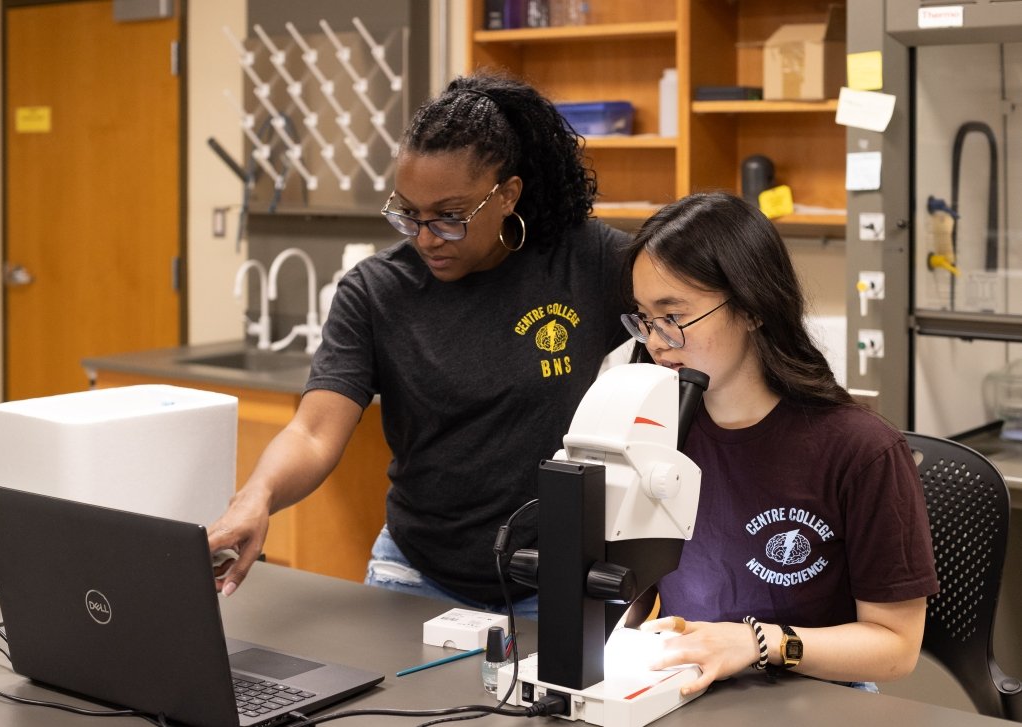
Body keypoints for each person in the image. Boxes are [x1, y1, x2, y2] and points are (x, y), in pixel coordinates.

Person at [207, 71, 631, 619]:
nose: (426, 237)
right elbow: (313, 431)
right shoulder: (377, 292)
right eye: (409, 213)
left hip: (564, 580)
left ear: (507, 195)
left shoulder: (588, 261)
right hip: (417, 574)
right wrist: (257, 497)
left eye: (451, 217)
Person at [621, 192, 938, 695]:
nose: (656, 341)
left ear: (752, 308)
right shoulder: (655, 431)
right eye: (643, 318)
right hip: (692, 687)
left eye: (674, 316)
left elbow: (896, 649)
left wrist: (755, 643)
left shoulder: (860, 450)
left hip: (818, 696)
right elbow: (638, 581)